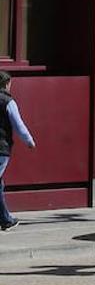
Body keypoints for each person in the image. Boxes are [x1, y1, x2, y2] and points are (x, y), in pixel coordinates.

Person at [0, 71, 36, 230]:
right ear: (7, 84)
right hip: (1, 148)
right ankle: (5, 219)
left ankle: (5, 219)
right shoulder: (8, 102)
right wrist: (29, 141)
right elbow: (18, 125)